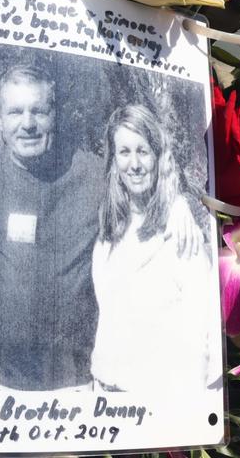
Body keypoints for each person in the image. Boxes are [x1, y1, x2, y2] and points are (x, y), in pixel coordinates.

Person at [0, 66, 201, 391]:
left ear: (54, 113)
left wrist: (179, 202)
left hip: (73, 385)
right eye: (15, 112)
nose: (27, 124)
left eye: (39, 111)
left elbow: (141, 177)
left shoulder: (92, 173)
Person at [90, 104, 211, 391]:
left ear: (158, 156)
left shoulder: (181, 233)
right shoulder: (109, 229)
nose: (134, 164)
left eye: (143, 151)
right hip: (103, 393)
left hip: (153, 404)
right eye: (124, 152)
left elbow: (201, 336)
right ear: (113, 159)